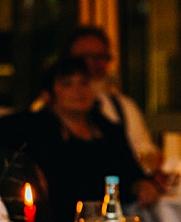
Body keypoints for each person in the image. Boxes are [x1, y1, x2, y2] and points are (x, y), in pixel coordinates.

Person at [0, 56, 157, 222]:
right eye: (67, 84)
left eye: (83, 83)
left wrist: (142, 185)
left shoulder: (107, 130)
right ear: (48, 95)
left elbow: (131, 175)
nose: (78, 90)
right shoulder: (32, 129)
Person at [63, 25, 160, 170]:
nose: (94, 64)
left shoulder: (123, 107)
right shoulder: (47, 112)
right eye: (86, 57)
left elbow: (145, 153)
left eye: (101, 57)